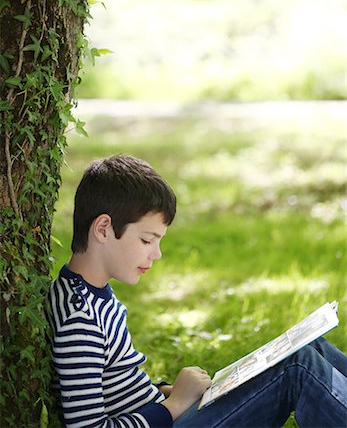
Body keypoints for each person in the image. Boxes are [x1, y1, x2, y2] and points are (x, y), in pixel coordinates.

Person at [47, 154, 347, 428]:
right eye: (147, 240)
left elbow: (121, 387)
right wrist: (174, 404)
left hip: (167, 412)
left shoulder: (87, 294)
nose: (156, 254)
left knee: (308, 348)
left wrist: (170, 392)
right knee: (297, 368)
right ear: (103, 229)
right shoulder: (79, 319)